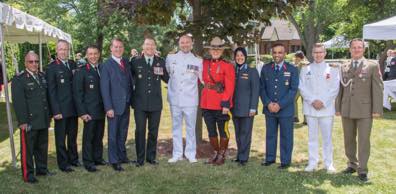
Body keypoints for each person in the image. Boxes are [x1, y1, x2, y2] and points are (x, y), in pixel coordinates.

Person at [335, 38, 383, 182]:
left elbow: (378, 89)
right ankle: (352, 164)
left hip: (365, 110)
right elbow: (340, 88)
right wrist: (337, 107)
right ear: (350, 49)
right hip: (347, 108)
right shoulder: (344, 66)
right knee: (348, 139)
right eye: (354, 47)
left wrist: (377, 109)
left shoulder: (372, 65)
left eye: (359, 47)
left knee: (363, 140)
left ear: (364, 49)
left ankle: (362, 169)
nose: (356, 50)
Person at [12, 51, 54, 183]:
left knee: (42, 146)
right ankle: (28, 174)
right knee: (28, 149)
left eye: (36, 61)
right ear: (25, 63)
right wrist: (23, 121)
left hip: (42, 118)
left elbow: (45, 98)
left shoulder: (41, 76)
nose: (34, 64)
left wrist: (49, 116)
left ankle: (42, 169)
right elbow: (19, 103)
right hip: (29, 121)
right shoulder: (19, 79)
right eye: (31, 61)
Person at [299, 43, 340, 173]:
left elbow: (335, 88)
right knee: (312, 138)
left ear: (325, 53)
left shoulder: (332, 69)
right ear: (312, 54)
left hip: (326, 109)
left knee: (327, 138)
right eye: (315, 52)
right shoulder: (305, 69)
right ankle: (312, 162)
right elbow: (302, 87)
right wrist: (312, 101)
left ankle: (329, 164)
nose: (318, 55)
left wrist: (323, 102)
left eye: (320, 52)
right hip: (311, 109)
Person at [130, 37, 169, 167]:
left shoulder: (160, 62)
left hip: (155, 104)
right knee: (140, 131)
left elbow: (168, 79)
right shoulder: (135, 62)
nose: (149, 47)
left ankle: (151, 157)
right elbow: (128, 80)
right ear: (143, 46)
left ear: (155, 47)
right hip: (140, 103)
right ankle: (140, 159)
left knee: (153, 132)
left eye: (152, 45)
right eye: (147, 45)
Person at [260, 43, 299, 169]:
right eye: (275, 52)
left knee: (286, 136)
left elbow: (293, 90)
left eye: (280, 52)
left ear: (285, 54)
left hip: (286, 110)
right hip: (269, 108)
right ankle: (270, 158)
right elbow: (262, 88)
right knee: (270, 134)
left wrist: (280, 105)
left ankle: (285, 161)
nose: (277, 55)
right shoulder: (266, 68)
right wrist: (268, 103)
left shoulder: (292, 69)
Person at [166, 34, 202, 163]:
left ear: (192, 43)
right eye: (182, 42)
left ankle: (191, 154)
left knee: (190, 128)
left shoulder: (198, 60)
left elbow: (202, 79)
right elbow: (169, 73)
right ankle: (177, 154)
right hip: (175, 98)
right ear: (179, 43)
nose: (185, 44)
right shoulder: (171, 58)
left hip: (190, 100)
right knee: (176, 127)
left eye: (187, 42)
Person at [46, 40, 80, 172]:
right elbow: (51, 92)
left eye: (66, 49)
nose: (63, 52)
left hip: (73, 108)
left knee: (72, 136)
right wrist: (56, 110)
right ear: (56, 50)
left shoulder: (72, 64)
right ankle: (63, 163)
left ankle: (74, 159)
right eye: (61, 49)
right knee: (61, 138)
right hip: (60, 109)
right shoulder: (52, 67)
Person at [201, 36, 235, 166]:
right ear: (209, 51)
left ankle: (222, 154)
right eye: (213, 49)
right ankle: (215, 152)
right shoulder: (204, 63)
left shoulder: (227, 66)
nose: (215, 51)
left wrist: (226, 103)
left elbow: (230, 86)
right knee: (211, 130)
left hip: (221, 104)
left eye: (218, 49)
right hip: (206, 103)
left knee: (223, 130)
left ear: (222, 51)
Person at [100, 38, 133, 171]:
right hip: (113, 106)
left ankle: (122, 156)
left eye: (120, 47)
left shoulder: (125, 62)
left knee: (123, 132)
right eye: (115, 47)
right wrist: (108, 107)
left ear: (123, 48)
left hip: (126, 104)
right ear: (111, 49)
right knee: (113, 134)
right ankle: (114, 160)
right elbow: (104, 88)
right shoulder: (106, 65)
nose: (118, 49)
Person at [73, 45, 106, 172]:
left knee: (99, 136)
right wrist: (82, 112)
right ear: (86, 56)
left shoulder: (101, 69)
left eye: (95, 53)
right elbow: (77, 94)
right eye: (90, 54)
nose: (93, 56)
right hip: (89, 112)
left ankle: (98, 158)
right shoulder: (81, 71)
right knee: (89, 138)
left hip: (101, 110)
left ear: (99, 54)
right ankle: (88, 161)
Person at [231, 47, 259, 166]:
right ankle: (239, 155)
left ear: (245, 57)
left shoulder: (252, 71)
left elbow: (256, 90)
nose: (239, 58)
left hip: (247, 109)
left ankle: (244, 157)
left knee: (245, 133)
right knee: (238, 133)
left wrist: (253, 107)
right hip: (235, 108)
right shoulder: (233, 71)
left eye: (242, 55)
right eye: (237, 56)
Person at [293, 51, 308, 124]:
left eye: (296, 57)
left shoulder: (300, 64)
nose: (295, 59)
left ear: (298, 57)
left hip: (300, 87)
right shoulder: (307, 63)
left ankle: (295, 117)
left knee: (293, 100)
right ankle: (306, 120)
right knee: (305, 103)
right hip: (306, 87)